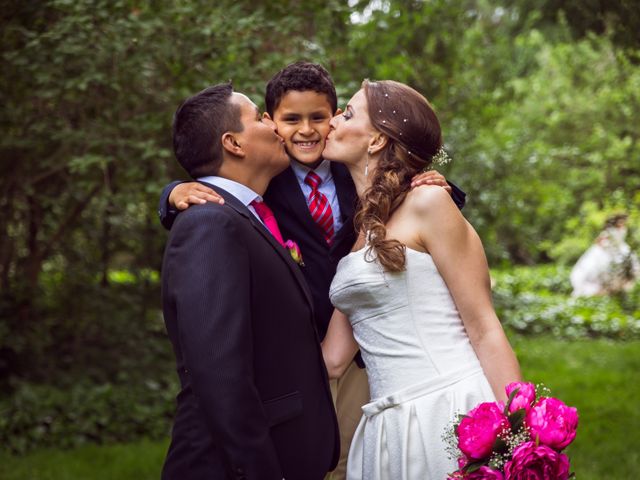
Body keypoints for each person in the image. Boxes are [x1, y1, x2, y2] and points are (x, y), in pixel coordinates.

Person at [158, 62, 467, 480]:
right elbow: (219, 365)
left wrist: (434, 186)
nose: (304, 130)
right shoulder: (253, 195)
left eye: (321, 117)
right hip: (300, 364)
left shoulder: (348, 167)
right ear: (256, 131)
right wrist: (173, 193)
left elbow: (401, 189)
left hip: (359, 346)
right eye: (282, 120)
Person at [320, 80, 521, 480]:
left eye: (347, 113)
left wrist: (521, 434)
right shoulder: (359, 231)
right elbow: (333, 358)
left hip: (446, 408)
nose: (332, 121)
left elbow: (483, 328)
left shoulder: (429, 202)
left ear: (376, 140)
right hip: (385, 427)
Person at [161, 83, 338, 480]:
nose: (274, 126)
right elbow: (220, 373)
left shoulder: (248, 215)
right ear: (233, 144)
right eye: (259, 116)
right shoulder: (208, 224)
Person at [570, 213, 639, 296]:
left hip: (622, 249)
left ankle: (621, 289)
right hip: (609, 251)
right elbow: (599, 241)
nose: (622, 224)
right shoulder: (609, 231)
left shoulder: (623, 229)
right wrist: (607, 246)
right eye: (620, 222)